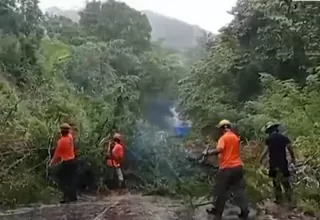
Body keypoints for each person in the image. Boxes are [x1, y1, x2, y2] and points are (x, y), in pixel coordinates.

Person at [203, 119, 249, 220]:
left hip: (227, 168)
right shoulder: (235, 137)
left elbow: (220, 150)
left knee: (221, 191)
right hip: (238, 167)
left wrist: (208, 153)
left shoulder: (223, 138)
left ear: (222, 129)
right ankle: (245, 211)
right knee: (239, 190)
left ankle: (217, 214)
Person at [259, 122, 296, 205]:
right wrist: (293, 158)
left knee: (276, 181)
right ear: (276, 129)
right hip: (283, 162)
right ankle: (290, 199)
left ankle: (279, 199)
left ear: (269, 131)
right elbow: (290, 148)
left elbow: (266, 151)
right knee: (285, 181)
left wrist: (260, 160)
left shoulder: (269, 139)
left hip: (273, 162)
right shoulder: (283, 137)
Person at [49, 123, 78, 203]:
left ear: (61, 132)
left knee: (64, 180)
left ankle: (66, 197)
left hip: (66, 162)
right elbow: (70, 133)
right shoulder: (70, 137)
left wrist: (51, 163)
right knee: (72, 180)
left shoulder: (61, 142)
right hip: (73, 161)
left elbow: (56, 155)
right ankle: (73, 197)